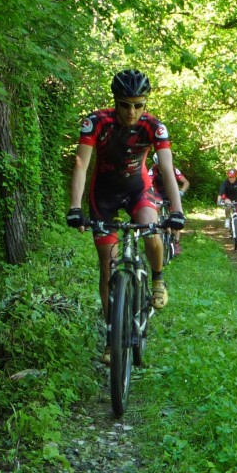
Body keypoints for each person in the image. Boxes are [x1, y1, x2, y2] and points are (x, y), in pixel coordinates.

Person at [66, 69, 185, 360]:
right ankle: (112, 337)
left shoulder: (154, 127)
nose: (132, 111)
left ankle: (157, 278)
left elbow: (167, 170)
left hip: (137, 189)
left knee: (150, 227)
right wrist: (75, 207)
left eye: (138, 105)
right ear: (115, 102)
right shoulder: (96, 122)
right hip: (103, 194)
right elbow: (81, 164)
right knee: (107, 267)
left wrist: (178, 212)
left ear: (145, 103)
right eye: (125, 104)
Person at [149, 153, 190, 256]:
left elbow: (186, 182)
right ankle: (159, 224)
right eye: (158, 165)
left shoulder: (173, 169)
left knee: (176, 216)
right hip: (159, 193)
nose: (161, 167)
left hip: (171, 192)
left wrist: (181, 192)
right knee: (156, 205)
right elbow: (148, 182)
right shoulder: (153, 170)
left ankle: (176, 242)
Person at [217, 168, 237, 244]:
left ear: (236, 176)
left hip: (236, 198)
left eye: (232, 177)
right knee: (228, 204)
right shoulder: (225, 183)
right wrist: (218, 201)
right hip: (227, 197)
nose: (231, 179)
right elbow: (221, 192)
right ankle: (227, 219)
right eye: (229, 177)